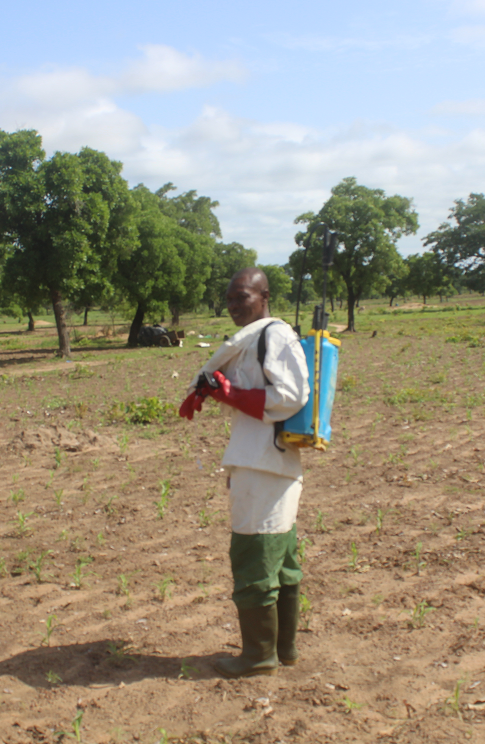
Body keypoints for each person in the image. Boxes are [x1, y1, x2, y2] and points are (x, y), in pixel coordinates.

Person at [179, 267, 310, 678]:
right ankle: (282, 649)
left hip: (263, 463)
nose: (235, 305)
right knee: (280, 557)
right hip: (265, 460)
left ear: (264, 295)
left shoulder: (274, 334)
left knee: (254, 555)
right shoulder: (256, 338)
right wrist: (222, 393)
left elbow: (291, 396)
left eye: (243, 297)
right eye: (231, 299)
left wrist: (232, 393)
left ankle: (258, 655)